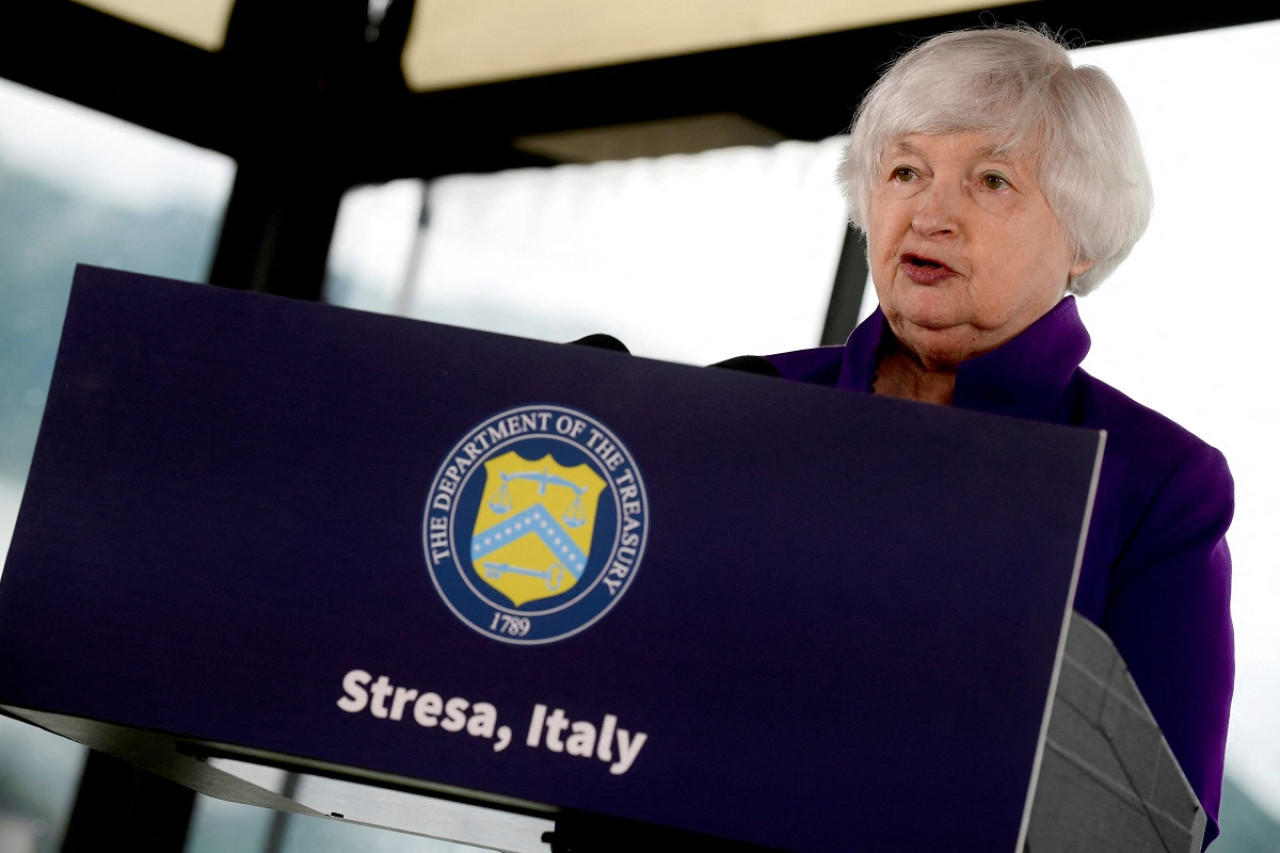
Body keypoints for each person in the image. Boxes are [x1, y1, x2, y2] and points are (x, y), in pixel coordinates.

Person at [766, 26, 1233, 848]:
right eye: (905, 171)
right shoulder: (749, 397)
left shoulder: (1160, 483)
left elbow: (1157, 825)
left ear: (1082, 241)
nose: (932, 214)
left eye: (991, 180)